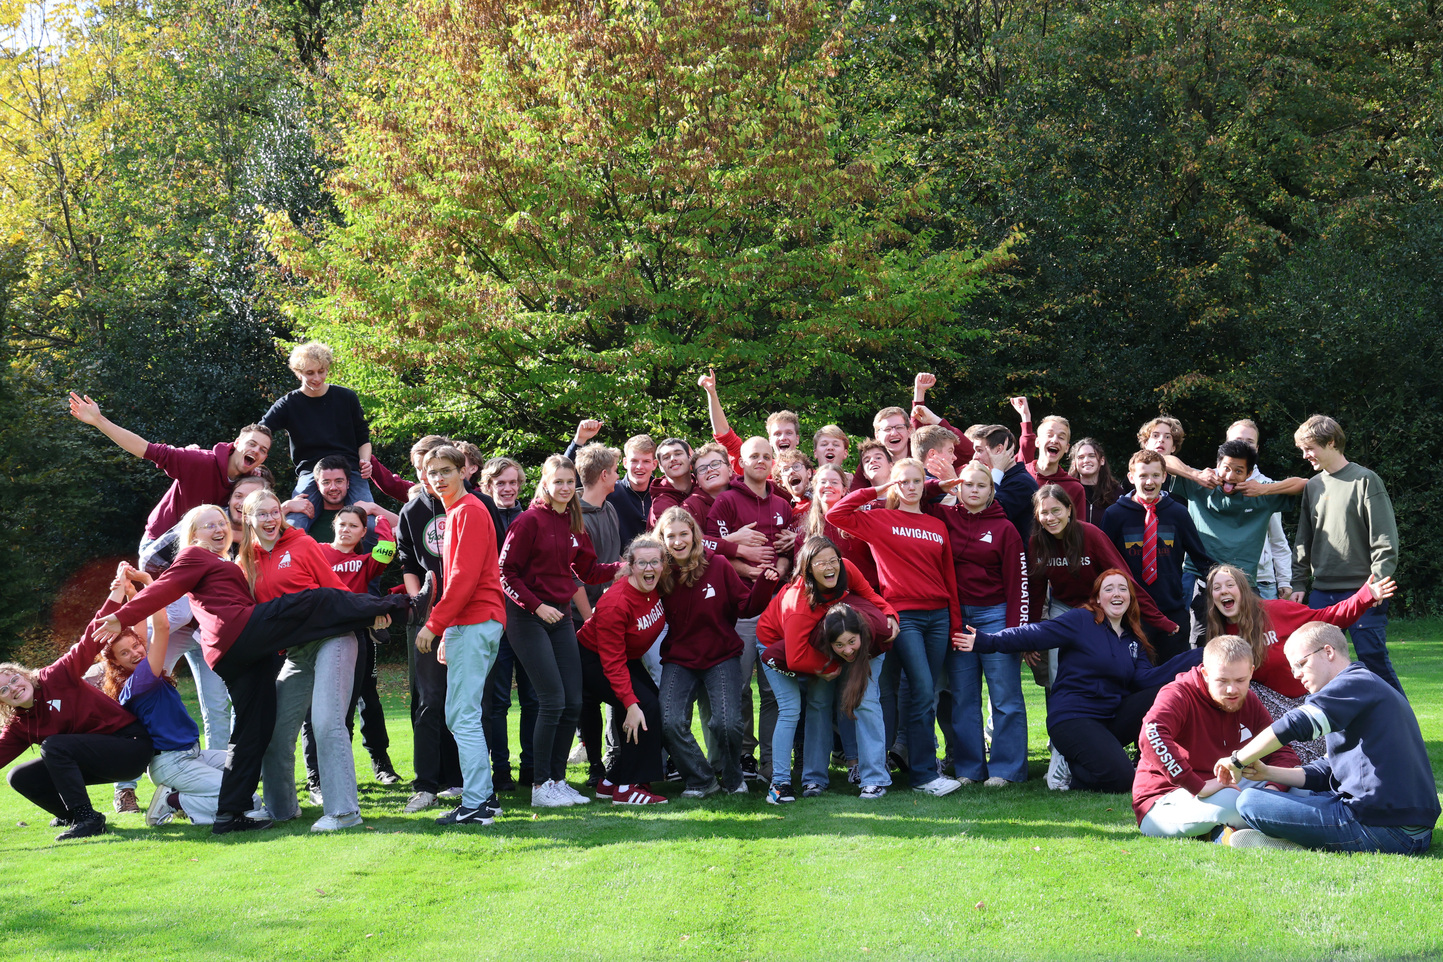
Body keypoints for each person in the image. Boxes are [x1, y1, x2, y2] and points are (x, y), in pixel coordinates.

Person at [96, 502, 431, 834]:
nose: (219, 528)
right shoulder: (194, 555)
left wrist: (141, 583)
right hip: (237, 634)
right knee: (314, 598)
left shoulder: (231, 560)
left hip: (241, 652)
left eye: (221, 522)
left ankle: (231, 813)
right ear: (193, 534)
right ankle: (405, 607)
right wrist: (122, 615)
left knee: (253, 730)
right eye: (209, 525)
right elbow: (167, 587)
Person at [953, 570, 1204, 793]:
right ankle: (1071, 771)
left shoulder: (1133, 640)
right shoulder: (1081, 621)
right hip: (1073, 718)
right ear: (1097, 598)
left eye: (1122, 589)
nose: (1116, 594)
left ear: (1130, 598)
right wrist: (987, 641)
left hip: (1109, 719)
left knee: (1160, 692)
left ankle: (1101, 758)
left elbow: (1147, 679)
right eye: (1109, 588)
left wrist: (1201, 655)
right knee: (1124, 779)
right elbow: (1035, 633)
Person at [1218, 623, 1438, 854]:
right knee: (1289, 793)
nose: (1296, 674)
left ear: (1328, 652)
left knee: (1250, 802)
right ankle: (1296, 841)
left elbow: (1296, 723)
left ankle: (1297, 843)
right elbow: (1327, 770)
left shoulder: (1354, 683)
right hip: (1404, 826)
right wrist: (1268, 773)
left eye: (1301, 664)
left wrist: (1237, 760)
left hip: (1386, 828)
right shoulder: (1363, 687)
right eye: (1293, 668)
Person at [827, 458, 963, 797]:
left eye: (917, 481)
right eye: (904, 481)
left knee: (925, 692)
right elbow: (836, 515)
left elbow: (949, 577)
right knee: (922, 688)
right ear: (894, 486)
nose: (911, 487)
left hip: (939, 616)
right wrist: (877, 490)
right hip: (905, 616)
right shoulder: (879, 520)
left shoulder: (936, 525)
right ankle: (924, 775)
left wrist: (955, 623)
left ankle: (920, 769)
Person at [238, 488, 370, 833]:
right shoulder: (245, 562)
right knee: (275, 732)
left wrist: (368, 613)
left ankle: (344, 812)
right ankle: (281, 810)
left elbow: (336, 590)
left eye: (274, 512)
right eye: (262, 514)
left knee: (327, 724)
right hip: (295, 653)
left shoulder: (302, 544)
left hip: (333, 639)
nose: (270, 519)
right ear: (248, 519)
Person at [500, 454, 622, 808]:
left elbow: (588, 570)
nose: (566, 488)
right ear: (545, 483)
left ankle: (557, 780)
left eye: (570, 482)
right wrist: (536, 605)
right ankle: (541, 786)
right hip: (528, 618)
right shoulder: (528, 521)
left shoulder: (573, 521)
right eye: (559, 482)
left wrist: (621, 568)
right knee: (552, 700)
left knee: (573, 701)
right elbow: (506, 572)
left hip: (561, 617)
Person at [0, 573, 158, 840]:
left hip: (130, 747)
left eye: (14, 679)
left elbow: (90, 639)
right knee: (19, 776)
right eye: (4, 690)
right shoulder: (19, 725)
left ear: (23, 675)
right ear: (2, 702)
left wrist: (117, 593)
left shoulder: (56, 677)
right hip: (92, 759)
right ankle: (72, 815)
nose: (13, 688)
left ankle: (88, 819)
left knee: (54, 745)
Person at [1200, 563, 1396, 762]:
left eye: (1230, 585)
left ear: (1243, 589)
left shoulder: (1276, 610)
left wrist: (1364, 597)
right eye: (1217, 588)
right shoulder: (1220, 634)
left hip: (1308, 697)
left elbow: (1326, 619)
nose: (1223, 591)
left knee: (1331, 752)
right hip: (1269, 707)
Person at [756, 538, 896, 801]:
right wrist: (830, 666)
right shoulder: (798, 603)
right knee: (816, 702)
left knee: (866, 701)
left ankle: (875, 778)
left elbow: (869, 595)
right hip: (792, 645)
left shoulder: (845, 569)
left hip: (836, 635)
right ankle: (812, 779)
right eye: (821, 563)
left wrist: (889, 614)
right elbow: (795, 657)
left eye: (833, 560)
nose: (830, 567)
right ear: (808, 569)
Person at [94, 564, 232, 828]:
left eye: (136, 646)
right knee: (246, 800)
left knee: (247, 770)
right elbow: (162, 627)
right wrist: (149, 581)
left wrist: (131, 592)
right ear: (116, 663)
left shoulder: (138, 669)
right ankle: (174, 801)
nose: (136, 652)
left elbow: (141, 627)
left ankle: (185, 795)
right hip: (172, 762)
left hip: (191, 754)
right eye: (125, 653)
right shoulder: (141, 679)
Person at [652, 507, 777, 797]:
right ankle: (701, 779)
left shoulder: (718, 564)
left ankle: (733, 778)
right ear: (662, 540)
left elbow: (746, 607)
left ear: (694, 536)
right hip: (679, 657)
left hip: (721, 654)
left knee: (727, 723)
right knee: (669, 722)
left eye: (684, 534)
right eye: (671, 536)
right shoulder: (660, 572)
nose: (678, 541)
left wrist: (764, 584)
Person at [413, 445, 508, 826]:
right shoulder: (458, 511)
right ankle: (485, 798)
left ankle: (477, 804)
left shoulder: (468, 510)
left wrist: (435, 624)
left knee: (462, 716)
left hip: (476, 619)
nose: (438, 478)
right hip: (470, 623)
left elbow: (463, 579)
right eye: (431, 472)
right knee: (464, 714)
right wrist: (449, 630)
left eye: (446, 471)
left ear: (463, 472)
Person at [67, 391, 274, 563]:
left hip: (200, 548)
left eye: (262, 450)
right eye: (252, 444)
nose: (256, 451)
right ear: (237, 443)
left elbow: (265, 517)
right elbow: (145, 449)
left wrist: (288, 506)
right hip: (161, 544)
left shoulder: (250, 485)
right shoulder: (199, 461)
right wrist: (99, 420)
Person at [924, 461, 1030, 786]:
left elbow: (1019, 584)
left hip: (995, 616)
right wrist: (940, 484)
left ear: (991, 491)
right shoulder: (943, 517)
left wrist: (1015, 634)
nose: (974, 490)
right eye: (967, 484)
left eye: (981, 485)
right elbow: (917, 497)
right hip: (957, 617)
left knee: (1005, 696)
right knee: (963, 697)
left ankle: (1006, 770)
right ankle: (969, 769)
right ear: (958, 488)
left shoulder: (1005, 529)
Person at [1132, 634, 1300, 839]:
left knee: (1297, 789)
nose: (1232, 690)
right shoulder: (1179, 693)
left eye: (1240, 680)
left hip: (1226, 788)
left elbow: (1282, 751)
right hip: (1165, 799)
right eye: (1222, 680)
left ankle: (1231, 835)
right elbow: (1151, 735)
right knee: (1234, 802)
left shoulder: (1248, 700)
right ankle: (1265, 832)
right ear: (1205, 673)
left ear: (1251, 672)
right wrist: (1198, 786)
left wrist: (1273, 789)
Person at [705, 436, 797, 780]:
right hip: (740, 607)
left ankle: (772, 760)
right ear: (740, 463)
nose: (760, 460)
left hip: (777, 607)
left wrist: (780, 569)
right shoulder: (726, 501)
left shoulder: (783, 504)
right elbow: (711, 552)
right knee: (740, 686)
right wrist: (748, 569)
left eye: (766, 456)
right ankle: (744, 755)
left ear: (772, 462)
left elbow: (788, 553)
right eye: (753, 455)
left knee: (774, 688)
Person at [1290, 415, 1403, 694]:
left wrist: (1376, 583)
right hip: (1322, 594)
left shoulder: (1366, 480)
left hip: (1364, 592)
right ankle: (1329, 723)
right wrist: (1298, 583)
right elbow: (1304, 539)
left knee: (1374, 662)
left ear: (1331, 442)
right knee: (1316, 667)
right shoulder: (1313, 486)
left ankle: (1401, 720)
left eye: (1309, 448)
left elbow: (1384, 539)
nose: (1305, 455)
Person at [1162, 439, 1307, 646]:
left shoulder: (1260, 493)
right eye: (1226, 468)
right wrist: (1194, 474)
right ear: (1217, 465)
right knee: (1200, 644)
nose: (1230, 476)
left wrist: (1264, 490)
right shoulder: (1201, 484)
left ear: (1249, 474)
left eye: (1239, 471)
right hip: (1203, 580)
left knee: (1250, 642)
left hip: (1244, 582)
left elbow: (1303, 484)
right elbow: (1163, 460)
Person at [312, 505, 402, 786]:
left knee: (368, 700)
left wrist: (380, 519)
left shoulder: (365, 562)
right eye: (342, 524)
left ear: (364, 532)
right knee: (327, 708)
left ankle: (381, 764)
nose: (346, 530)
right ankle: (325, 774)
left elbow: (387, 548)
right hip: (321, 637)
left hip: (359, 636)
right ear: (334, 526)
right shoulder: (316, 552)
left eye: (354, 526)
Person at [577, 537, 670, 805]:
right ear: (631, 565)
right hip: (594, 660)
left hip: (624, 657)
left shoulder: (657, 583)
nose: (649, 568)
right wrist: (629, 704)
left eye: (655, 562)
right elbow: (612, 663)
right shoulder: (616, 603)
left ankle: (612, 782)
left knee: (653, 705)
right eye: (642, 563)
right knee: (643, 707)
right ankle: (628, 788)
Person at [1100, 450, 1214, 661]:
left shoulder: (1178, 513)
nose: (1149, 481)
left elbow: (1200, 558)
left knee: (1174, 673)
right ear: (1131, 477)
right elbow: (1103, 564)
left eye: (1155, 475)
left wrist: (1226, 581)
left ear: (1164, 477)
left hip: (1172, 610)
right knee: (1132, 672)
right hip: (1130, 612)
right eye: (1143, 475)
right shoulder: (1115, 515)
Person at [260, 341, 375, 531]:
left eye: (321, 371)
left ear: (327, 368)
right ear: (298, 373)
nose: (317, 378)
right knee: (295, 526)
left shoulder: (346, 397)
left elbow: (363, 438)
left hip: (350, 469)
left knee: (369, 526)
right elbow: (260, 431)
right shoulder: (288, 404)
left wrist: (365, 461)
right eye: (310, 373)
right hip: (310, 471)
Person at [479, 456, 537, 792]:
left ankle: (531, 767)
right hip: (494, 620)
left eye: (513, 482)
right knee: (497, 701)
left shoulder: (530, 518)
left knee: (533, 698)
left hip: (528, 619)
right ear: (488, 486)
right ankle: (500, 770)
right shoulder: (480, 517)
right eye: (501, 483)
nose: (508, 488)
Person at [572, 442, 624, 785]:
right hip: (581, 621)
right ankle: (595, 767)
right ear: (604, 475)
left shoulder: (610, 508)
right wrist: (590, 616)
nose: (619, 476)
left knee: (619, 687)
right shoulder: (573, 515)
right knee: (587, 696)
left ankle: (619, 758)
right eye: (616, 471)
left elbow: (614, 562)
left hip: (611, 616)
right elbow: (572, 576)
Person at [1225, 419, 1292, 602]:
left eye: (1250, 442)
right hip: (1219, 578)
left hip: (1261, 581)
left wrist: (1284, 580)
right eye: (1238, 440)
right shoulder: (1209, 481)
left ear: (1257, 448)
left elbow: (1277, 539)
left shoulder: (1268, 487)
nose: (1243, 446)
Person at [1007, 396, 1087, 510]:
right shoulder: (1019, 476)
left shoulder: (1074, 488)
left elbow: (1078, 522)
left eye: (1061, 437)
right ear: (1037, 442)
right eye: (1049, 435)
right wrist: (1025, 418)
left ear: (1067, 448)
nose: (1054, 440)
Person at [304, 455, 399, 547]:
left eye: (339, 481)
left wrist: (373, 508)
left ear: (348, 483)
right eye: (326, 482)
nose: (333, 487)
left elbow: (405, 526)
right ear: (318, 485)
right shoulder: (307, 518)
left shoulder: (362, 514)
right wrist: (292, 507)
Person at [1067, 438, 1121, 524]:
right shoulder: (1067, 492)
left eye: (1092, 456)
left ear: (1102, 461)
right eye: (1081, 457)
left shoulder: (1117, 493)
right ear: (1074, 463)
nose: (1086, 460)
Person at [648, 437, 695, 525]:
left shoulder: (703, 484)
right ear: (661, 467)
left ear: (690, 458)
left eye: (678, 454)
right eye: (666, 457)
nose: (673, 459)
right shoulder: (661, 504)